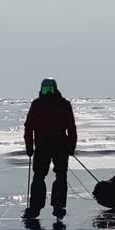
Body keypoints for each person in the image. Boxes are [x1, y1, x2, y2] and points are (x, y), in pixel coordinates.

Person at [23, 77, 77, 220]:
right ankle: (35, 207)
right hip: (43, 146)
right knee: (39, 176)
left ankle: (58, 207)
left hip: (60, 145)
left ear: (55, 89)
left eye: (49, 89)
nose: (47, 92)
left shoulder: (63, 104)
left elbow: (71, 127)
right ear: (41, 89)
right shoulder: (37, 104)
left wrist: (71, 146)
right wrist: (29, 146)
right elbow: (28, 127)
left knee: (60, 176)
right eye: (45, 89)